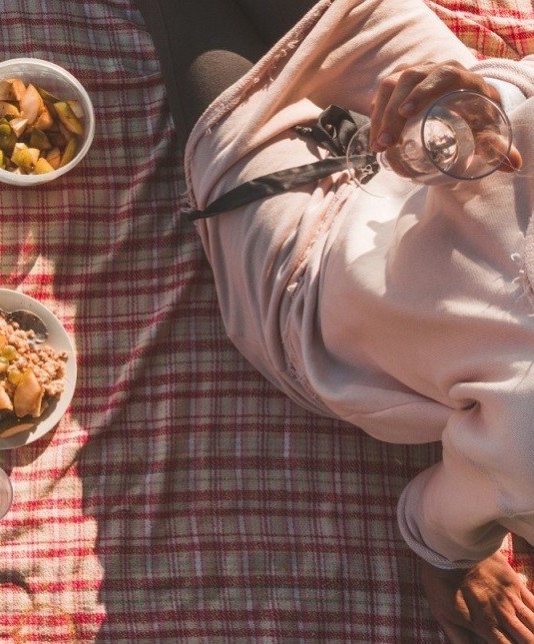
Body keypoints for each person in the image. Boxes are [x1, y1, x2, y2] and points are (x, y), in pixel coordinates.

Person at [137, 0, 534, 641]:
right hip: (448, 133)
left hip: (309, 274)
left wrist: (456, 553)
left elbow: (438, 522)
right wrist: (468, 109)